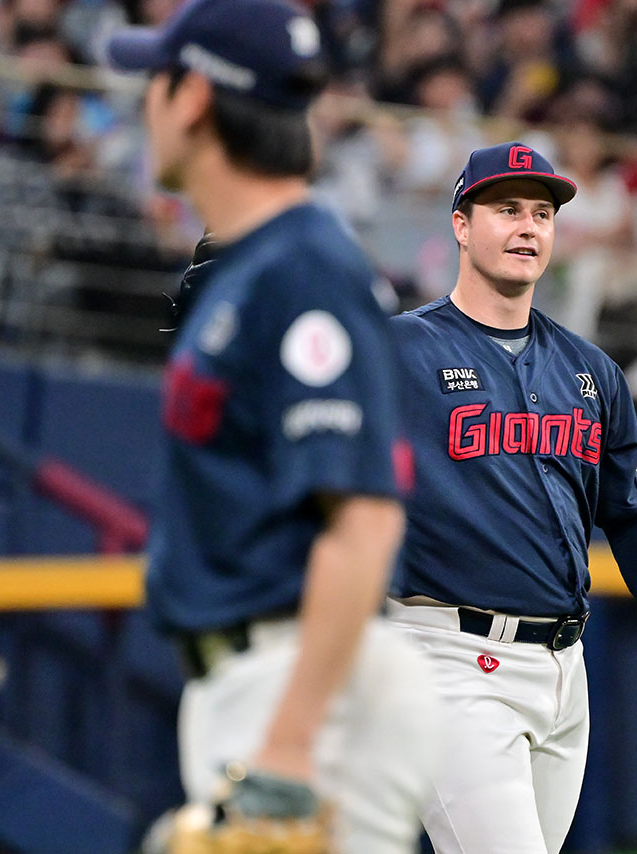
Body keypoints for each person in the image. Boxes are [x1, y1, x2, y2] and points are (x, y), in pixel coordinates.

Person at [105, 1, 439, 851]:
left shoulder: (303, 269)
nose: (145, 100)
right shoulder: (249, 264)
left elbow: (363, 523)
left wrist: (287, 751)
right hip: (263, 684)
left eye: (157, 77)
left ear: (192, 99)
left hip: (305, 696)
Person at [386, 141, 637, 853]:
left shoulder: (590, 370)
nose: (528, 226)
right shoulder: (401, 352)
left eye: (542, 212)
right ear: (461, 226)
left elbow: (630, 514)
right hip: (448, 659)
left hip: (565, 670)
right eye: (505, 209)